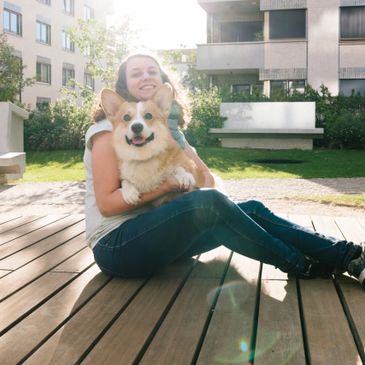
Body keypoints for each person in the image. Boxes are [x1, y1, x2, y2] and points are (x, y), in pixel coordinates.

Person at [83, 52, 365, 289]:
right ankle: (298, 264)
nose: (145, 76)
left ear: (162, 83)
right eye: (135, 73)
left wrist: (177, 154)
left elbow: (206, 182)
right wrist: (169, 186)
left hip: (158, 237)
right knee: (212, 204)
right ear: (123, 85)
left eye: (151, 71)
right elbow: (107, 205)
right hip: (117, 246)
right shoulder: (107, 133)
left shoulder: (165, 133)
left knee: (250, 208)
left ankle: (350, 256)